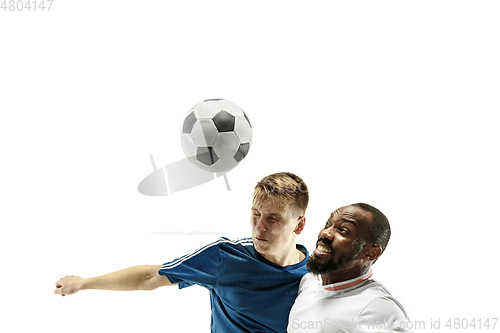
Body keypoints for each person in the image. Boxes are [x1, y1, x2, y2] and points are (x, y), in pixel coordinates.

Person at [55, 172, 309, 333]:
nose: (259, 227)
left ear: (299, 225)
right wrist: (84, 283)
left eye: (273, 219)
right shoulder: (225, 258)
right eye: (255, 215)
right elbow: (150, 277)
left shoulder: (317, 275)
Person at [288, 203, 411, 333]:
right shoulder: (309, 280)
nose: (325, 234)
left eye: (343, 230)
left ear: (371, 253)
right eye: (328, 224)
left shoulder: (378, 308)